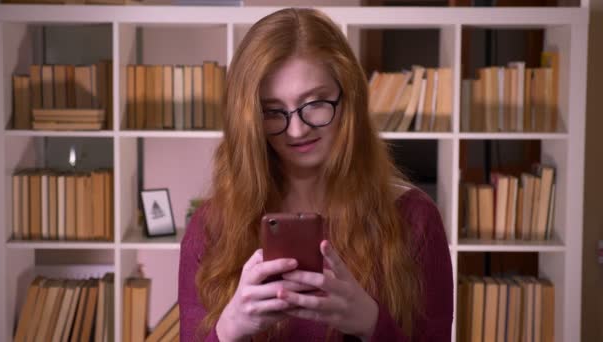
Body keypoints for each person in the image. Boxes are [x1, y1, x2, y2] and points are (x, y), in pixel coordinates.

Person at [179, 7, 453, 342]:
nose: (296, 130)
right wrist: (228, 329)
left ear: (348, 99)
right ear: (249, 119)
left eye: (315, 103)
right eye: (273, 111)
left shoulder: (415, 219)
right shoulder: (210, 227)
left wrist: (371, 323)